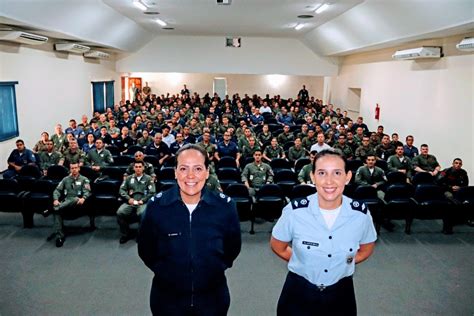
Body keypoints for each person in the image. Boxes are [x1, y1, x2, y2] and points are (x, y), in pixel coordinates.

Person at [138, 144, 241, 315]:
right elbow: (146, 250)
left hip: (213, 297)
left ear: (208, 172)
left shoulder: (225, 207)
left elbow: (232, 249)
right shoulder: (156, 207)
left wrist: (214, 269)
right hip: (167, 299)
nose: (191, 176)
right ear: (175, 172)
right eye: (184, 168)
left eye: (198, 168)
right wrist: (166, 273)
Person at [270, 150, 377, 315]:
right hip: (299, 290)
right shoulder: (294, 211)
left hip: (341, 292)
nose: (329, 181)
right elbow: (278, 246)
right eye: (322, 173)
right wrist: (304, 261)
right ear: (312, 177)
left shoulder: (360, 214)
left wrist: (340, 263)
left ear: (347, 177)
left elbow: (366, 249)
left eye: (337, 173)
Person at [51, 163, 91, 247]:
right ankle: (59, 237)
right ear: (70, 169)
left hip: (78, 203)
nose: (74, 170)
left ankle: (54, 208)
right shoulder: (65, 179)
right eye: (72, 168)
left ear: (79, 168)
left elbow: (87, 191)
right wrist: (55, 199)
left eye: (76, 168)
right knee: (57, 212)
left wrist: (83, 198)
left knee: (75, 199)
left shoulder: (84, 179)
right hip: (67, 202)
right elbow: (57, 190)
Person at [117, 161, 155, 244]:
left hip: (143, 202)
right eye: (136, 167)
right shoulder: (129, 178)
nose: (138, 168)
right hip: (130, 201)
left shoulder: (148, 179)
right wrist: (128, 199)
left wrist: (143, 200)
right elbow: (122, 190)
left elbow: (152, 192)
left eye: (140, 167)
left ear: (143, 168)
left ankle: (140, 234)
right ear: (133, 168)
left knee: (142, 213)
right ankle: (125, 234)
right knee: (120, 212)